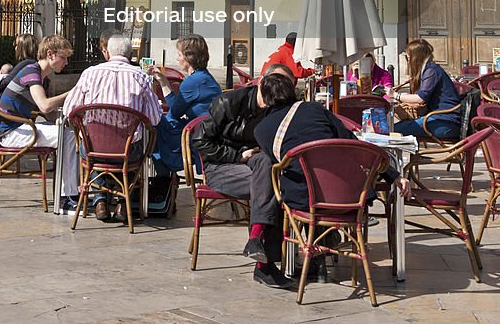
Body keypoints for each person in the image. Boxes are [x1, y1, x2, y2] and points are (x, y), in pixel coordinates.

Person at [254, 72, 411, 284]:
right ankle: (324, 251)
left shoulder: (262, 130)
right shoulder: (314, 109)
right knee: (319, 181)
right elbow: (353, 143)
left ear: (265, 97)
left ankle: (307, 257)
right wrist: (393, 176)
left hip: (305, 201)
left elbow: (279, 162)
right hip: (348, 198)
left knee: (295, 185)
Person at [191, 63, 296, 288]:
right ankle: (264, 265)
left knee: (271, 174)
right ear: (262, 82)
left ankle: (258, 243)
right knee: (273, 185)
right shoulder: (228, 103)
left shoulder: (280, 106)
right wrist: (238, 155)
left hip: (258, 168)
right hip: (222, 167)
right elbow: (199, 141)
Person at [63, 33, 163, 221]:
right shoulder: (140, 77)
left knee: (93, 145)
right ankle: (121, 201)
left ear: (107, 52)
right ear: (131, 54)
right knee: (137, 146)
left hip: (93, 151)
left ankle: (100, 200)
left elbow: (69, 110)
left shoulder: (89, 73)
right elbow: (155, 119)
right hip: (126, 152)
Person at [0, 34, 79, 212]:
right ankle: (68, 198)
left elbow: (47, 113)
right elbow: (44, 105)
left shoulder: (42, 77)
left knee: (70, 134)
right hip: (11, 133)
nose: (65, 63)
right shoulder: (31, 72)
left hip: (19, 127)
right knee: (70, 138)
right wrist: (73, 92)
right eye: (63, 57)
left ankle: (69, 193)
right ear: (50, 54)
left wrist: (64, 121)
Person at [150, 34, 221, 174]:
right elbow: (176, 107)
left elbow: (175, 111)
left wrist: (162, 84)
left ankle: (163, 177)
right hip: (208, 130)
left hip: (200, 135)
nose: (177, 58)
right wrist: (163, 81)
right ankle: (163, 178)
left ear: (189, 58)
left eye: (179, 54)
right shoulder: (203, 77)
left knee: (155, 128)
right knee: (163, 125)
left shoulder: (192, 81)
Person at [394, 38, 461, 139]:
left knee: (395, 130)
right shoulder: (429, 70)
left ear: (416, 58)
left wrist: (396, 95)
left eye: (408, 58)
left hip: (446, 122)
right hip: (441, 119)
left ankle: (390, 154)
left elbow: (420, 98)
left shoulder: (432, 71)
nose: (408, 61)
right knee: (398, 128)